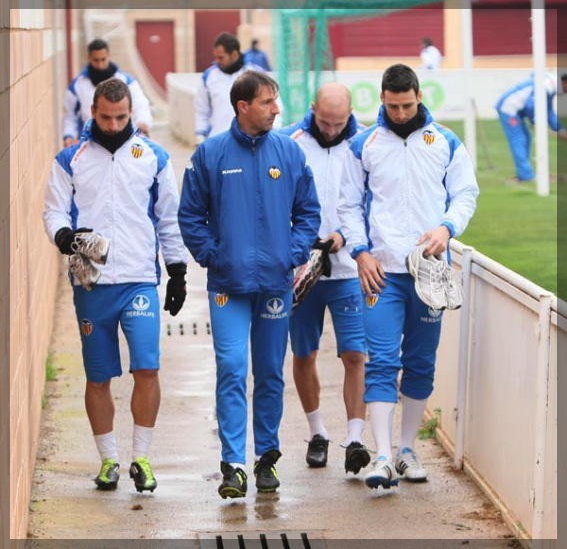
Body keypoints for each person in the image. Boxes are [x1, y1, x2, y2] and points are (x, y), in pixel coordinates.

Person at [179, 70, 320, 499]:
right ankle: (233, 464)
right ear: (243, 107)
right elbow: (191, 215)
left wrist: (292, 253)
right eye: (267, 102)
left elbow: (308, 212)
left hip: (275, 285)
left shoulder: (289, 153)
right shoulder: (211, 154)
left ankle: (266, 458)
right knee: (232, 368)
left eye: (276, 101)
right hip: (228, 285)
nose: (277, 109)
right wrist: (214, 255)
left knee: (270, 372)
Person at [338, 64, 479, 491]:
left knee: (420, 362)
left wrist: (447, 228)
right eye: (393, 106)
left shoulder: (445, 141)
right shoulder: (364, 144)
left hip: (430, 273)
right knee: (382, 360)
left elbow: (465, 193)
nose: (400, 113)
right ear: (381, 99)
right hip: (382, 273)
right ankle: (382, 456)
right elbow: (348, 205)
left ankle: (406, 450)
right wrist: (360, 252)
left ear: (419, 96)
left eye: (407, 105)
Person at [44, 78, 188, 493]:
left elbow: (168, 217)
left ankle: (141, 458)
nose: (113, 124)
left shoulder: (153, 156)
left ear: (131, 113)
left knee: (147, 367)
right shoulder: (70, 159)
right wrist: (64, 236)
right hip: (91, 283)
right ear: (93, 112)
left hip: (138, 279)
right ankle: (108, 460)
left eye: (121, 117)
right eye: (106, 117)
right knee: (98, 376)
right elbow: (53, 211)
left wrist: (177, 270)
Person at [280, 83, 370, 475]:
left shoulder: (365, 142)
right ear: (313, 108)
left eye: (339, 123)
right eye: (324, 122)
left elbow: (370, 202)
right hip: (302, 270)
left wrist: (345, 236)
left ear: (350, 112)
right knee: (304, 354)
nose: (331, 130)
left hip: (348, 268)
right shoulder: (288, 142)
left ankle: (355, 438)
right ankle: (317, 432)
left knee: (355, 354)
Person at [63, 39, 153, 147]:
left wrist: (142, 121)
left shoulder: (127, 81)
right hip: (90, 144)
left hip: (124, 141)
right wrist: (69, 136)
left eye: (103, 59)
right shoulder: (77, 85)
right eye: (96, 60)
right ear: (89, 58)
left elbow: (140, 104)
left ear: (109, 56)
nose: (100, 65)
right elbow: (70, 116)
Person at [194, 32, 268, 144]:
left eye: (221, 57)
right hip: (218, 142)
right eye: (216, 57)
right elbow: (201, 109)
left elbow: (271, 104)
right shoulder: (209, 76)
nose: (217, 61)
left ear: (234, 54)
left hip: (250, 142)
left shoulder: (256, 74)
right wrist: (200, 135)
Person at [495, 72, 567, 182]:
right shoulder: (548, 86)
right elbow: (530, 105)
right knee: (518, 139)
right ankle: (526, 175)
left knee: (526, 138)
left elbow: (548, 111)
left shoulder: (551, 86)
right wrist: (535, 122)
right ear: (565, 83)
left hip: (517, 110)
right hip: (508, 109)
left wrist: (560, 129)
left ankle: (525, 172)